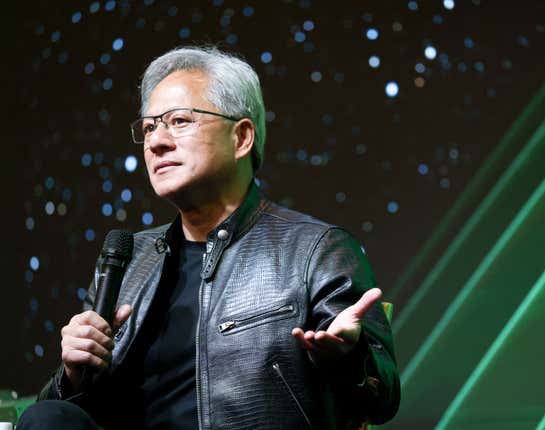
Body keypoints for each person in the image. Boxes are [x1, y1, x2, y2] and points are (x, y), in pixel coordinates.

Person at [18, 45, 399, 430]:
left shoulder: (316, 250)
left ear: (242, 137)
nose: (156, 142)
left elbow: (382, 398)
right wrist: (73, 375)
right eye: (149, 127)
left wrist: (349, 359)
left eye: (179, 121)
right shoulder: (130, 260)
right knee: (46, 417)